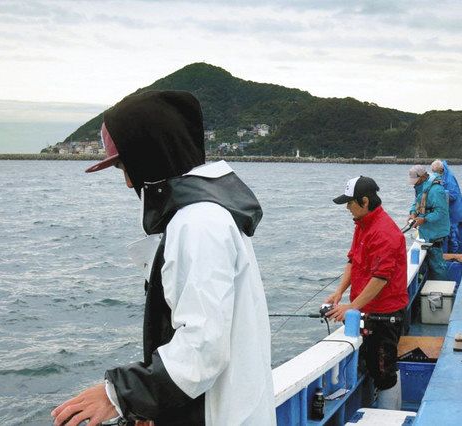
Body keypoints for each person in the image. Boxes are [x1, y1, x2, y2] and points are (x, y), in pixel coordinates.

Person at [51, 91, 275, 426]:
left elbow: (203, 348)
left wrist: (118, 395)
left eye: (126, 166)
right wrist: (153, 406)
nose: (128, 182)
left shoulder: (197, 224)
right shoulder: (209, 216)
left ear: (149, 157)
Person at [324, 176, 408, 410]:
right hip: (366, 310)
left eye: (349, 203)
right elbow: (353, 261)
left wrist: (351, 307)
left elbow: (380, 279)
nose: (347, 208)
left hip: (386, 315)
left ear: (364, 201)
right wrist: (339, 293)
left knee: (384, 371)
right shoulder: (361, 225)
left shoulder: (384, 232)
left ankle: (389, 417)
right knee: (374, 365)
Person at [407, 165, 450, 280]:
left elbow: (441, 212)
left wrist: (424, 219)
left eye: (415, 180)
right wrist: (412, 213)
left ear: (423, 177)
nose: (414, 183)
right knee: (428, 262)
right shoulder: (421, 188)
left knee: (438, 265)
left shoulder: (436, 190)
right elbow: (416, 203)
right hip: (425, 232)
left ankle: (441, 286)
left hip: (436, 232)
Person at [431, 159, 462, 254]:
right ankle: (451, 252)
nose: (434, 174)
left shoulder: (449, 178)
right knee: (450, 232)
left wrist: (441, 193)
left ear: (440, 171)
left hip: (454, 210)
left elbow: (453, 195)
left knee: (453, 233)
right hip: (447, 210)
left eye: (435, 172)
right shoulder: (442, 176)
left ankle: (455, 254)